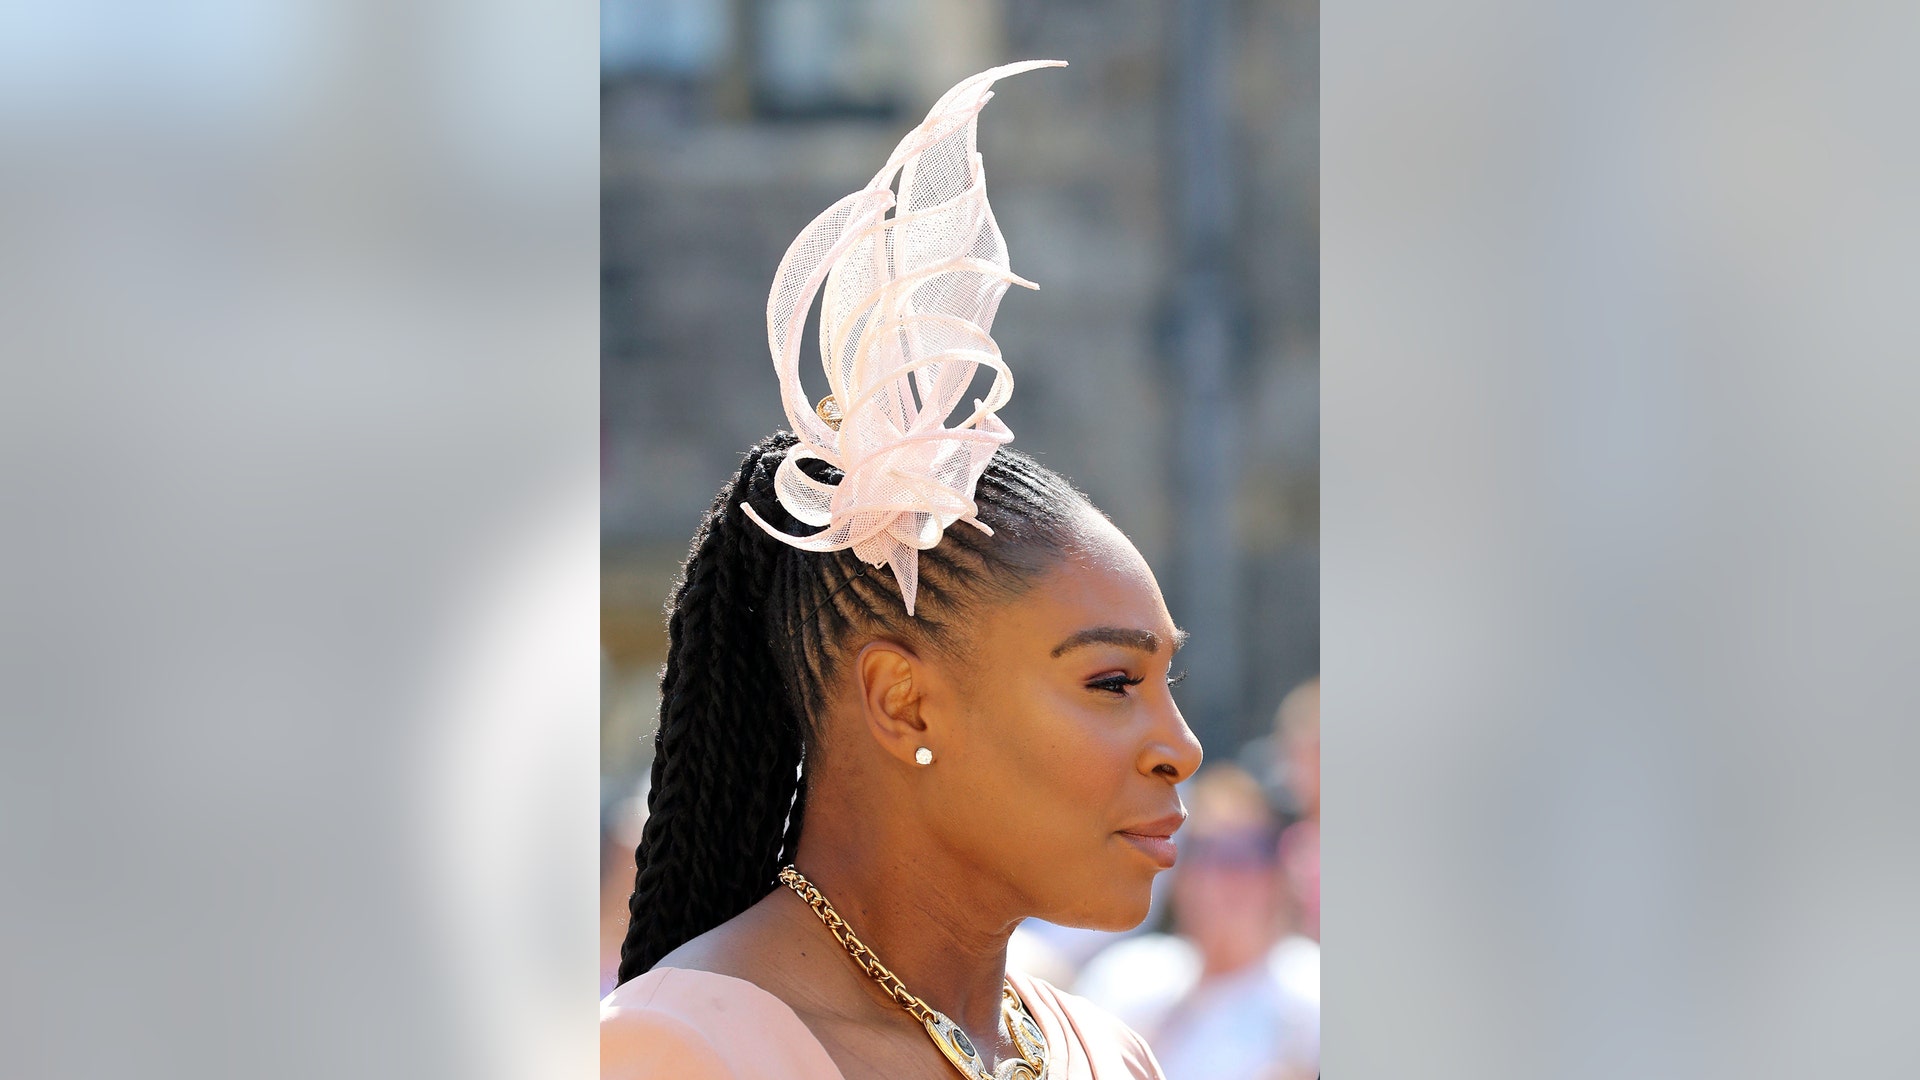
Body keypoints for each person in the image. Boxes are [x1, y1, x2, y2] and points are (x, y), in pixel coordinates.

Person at [601, 61, 1203, 1080]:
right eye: (1111, 682)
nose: (1180, 749)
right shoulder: (679, 1053)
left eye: (1165, 683)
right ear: (904, 702)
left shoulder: (1106, 1053)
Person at [1073, 766, 1319, 1080]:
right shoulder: (1128, 975)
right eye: (1205, 850)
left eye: (1249, 851)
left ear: (1276, 873)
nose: (1224, 874)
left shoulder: (1312, 991)